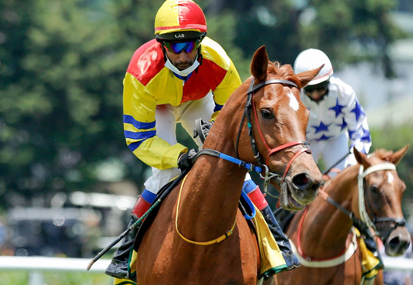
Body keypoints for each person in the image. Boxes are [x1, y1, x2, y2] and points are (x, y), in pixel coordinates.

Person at [106, 0, 299, 279]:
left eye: (190, 45)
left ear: (201, 41)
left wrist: (220, 148)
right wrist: (180, 156)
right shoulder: (141, 74)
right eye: (174, 46)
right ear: (161, 44)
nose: (183, 54)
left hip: (198, 102)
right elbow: (139, 140)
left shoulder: (218, 60)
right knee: (166, 173)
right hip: (160, 108)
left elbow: (234, 114)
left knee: (233, 169)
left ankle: (277, 243)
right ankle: (125, 254)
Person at [293, 48, 371, 179]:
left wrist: (353, 162)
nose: (315, 94)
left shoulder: (344, 92)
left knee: (343, 181)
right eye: (310, 89)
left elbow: (360, 131)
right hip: (306, 143)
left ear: (330, 79)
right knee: (299, 183)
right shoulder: (293, 97)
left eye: (321, 87)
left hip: (336, 139)